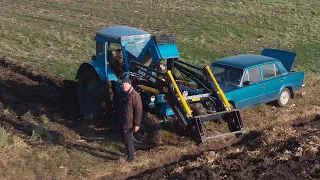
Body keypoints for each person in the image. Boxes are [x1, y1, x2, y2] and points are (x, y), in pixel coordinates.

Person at [117, 77, 143, 162]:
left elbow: (138, 111)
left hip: (129, 122)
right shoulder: (122, 93)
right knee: (123, 137)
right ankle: (130, 152)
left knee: (128, 139)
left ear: (130, 85)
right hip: (122, 120)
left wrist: (137, 124)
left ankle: (131, 159)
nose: (124, 86)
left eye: (126, 84)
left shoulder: (134, 95)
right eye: (123, 84)